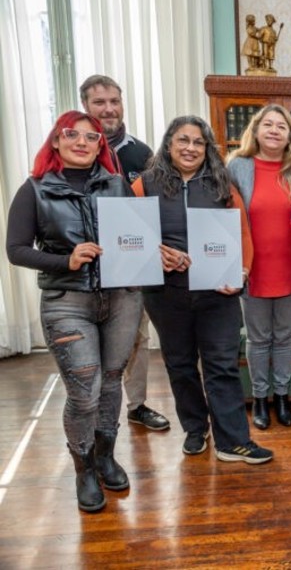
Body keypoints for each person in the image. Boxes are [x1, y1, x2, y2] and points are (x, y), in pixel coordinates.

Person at [6, 111, 141, 512]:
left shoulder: (118, 186)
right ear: (56, 141)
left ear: (101, 146)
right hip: (67, 302)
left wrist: (154, 251)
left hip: (121, 299)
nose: (81, 142)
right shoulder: (34, 190)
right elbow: (16, 250)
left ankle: (105, 456)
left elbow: (134, 238)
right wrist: (66, 260)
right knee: (84, 393)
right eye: (72, 134)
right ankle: (83, 468)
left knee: (112, 381)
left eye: (91, 136)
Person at [132, 116, 273, 465]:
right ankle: (196, 428)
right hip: (165, 294)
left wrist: (241, 271)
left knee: (222, 365)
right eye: (183, 140)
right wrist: (155, 253)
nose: (191, 148)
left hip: (217, 292)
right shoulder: (144, 185)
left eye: (199, 142)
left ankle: (233, 441)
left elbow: (243, 234)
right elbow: (130, 240)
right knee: (180, 365)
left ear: (207, 149)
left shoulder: (222, 184)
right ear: (168, 145)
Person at [79, 74, 170, 433]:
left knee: (136, 336)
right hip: (87, 263)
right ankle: (93, 411)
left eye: (114, 101)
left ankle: (137, 406)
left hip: (133, 261)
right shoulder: (75, 147)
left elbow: (156, 204)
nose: (108, 109)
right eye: (99, 102)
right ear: (85, 106)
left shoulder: (141, 153)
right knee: (89, 339)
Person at [227, 104, 291, 430]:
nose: (274, 130)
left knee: (285, 337)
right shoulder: (237, 167)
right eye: (268, 125)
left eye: (282, 126)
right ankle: (260, 398)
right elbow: (225, 218)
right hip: (253, 269)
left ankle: (282, 397)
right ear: (256, 130)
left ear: (290, 135)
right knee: (259, 339)